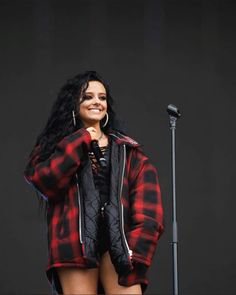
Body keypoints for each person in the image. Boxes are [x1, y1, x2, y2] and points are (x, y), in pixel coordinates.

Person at [24, 70, 164, 294]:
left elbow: (150, 212)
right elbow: (45, 181)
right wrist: (81, 139)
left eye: (102, 97)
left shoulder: (129, 152)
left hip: (119, 243)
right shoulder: (56, 147)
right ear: (73, 103)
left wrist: (134, 250)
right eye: (88, 96)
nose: (96, 102)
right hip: (75, 244)